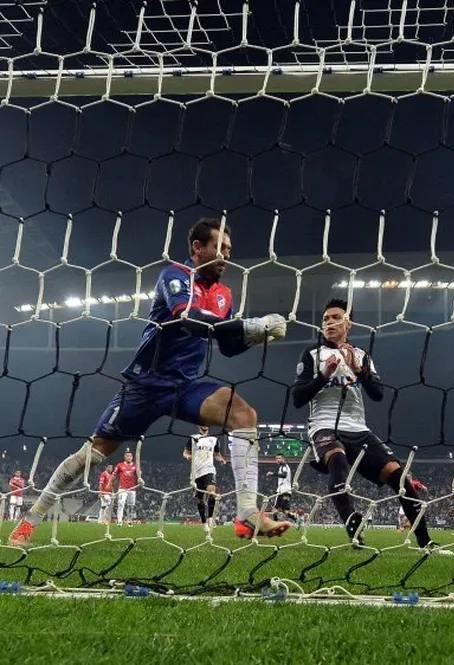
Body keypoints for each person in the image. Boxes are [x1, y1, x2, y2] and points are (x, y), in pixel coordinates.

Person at [8, 218, 292, 547]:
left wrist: (258, 336)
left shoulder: (223, 294)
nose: (226, 256)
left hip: (185, 387)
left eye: (229, 250)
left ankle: (246, 514)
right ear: (198, 249)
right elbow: (192, 320)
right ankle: (31, 519)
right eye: (219, 248)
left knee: (244, 415)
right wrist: (250, 325)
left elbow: (226, 346)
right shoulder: (174, 275)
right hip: (144, 385)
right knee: (92, 453)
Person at [292, 297, 452, 555]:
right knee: (337, 459)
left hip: (359, 428)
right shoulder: (312, 354)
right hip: (324, 424)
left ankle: (426, 542)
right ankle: (351, 521)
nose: (329, 322)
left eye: (335, 318)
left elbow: (377, 394)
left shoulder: (361, 355)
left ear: (348, 323)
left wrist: (361, 371)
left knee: (399, 477)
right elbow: (298, 398)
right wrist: (324, 376)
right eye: (325, 319)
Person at [184, 425, 225, 533]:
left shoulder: (214, 440)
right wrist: (187, 456)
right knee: (200, 500)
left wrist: (220, 459)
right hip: (196, 473)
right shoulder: (193, 438)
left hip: (209, 470)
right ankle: (204, 522)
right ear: (198, 425)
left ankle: (211, 518)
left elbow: (217, 455)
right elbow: (186, 452)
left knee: (211, 492)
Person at [114, 451, 138, 526]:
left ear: (132, 457)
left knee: (131, 506)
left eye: (130, 456)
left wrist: (140, 475)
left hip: (132, 489)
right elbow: (114, 475)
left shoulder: (135, 466)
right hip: (122, 488)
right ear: (125, 457)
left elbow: (138, 476)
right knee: (121, 503)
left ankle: (130, 520)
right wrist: (110, 485)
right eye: (127, 456)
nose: (129, 457)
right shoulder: (120, 465)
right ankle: (119, 521)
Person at [267, 453, 293, 522]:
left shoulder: (283, 466)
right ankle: (297, 520)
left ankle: (275, 523)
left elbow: (284, 475)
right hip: (288, 491)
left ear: (283, 459)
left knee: (275, 508)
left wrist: (272, 473)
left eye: (279, 458)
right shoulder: (286, 467)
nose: (278, 460)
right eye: (277, 459)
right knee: (285, 511)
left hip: (282, 490)